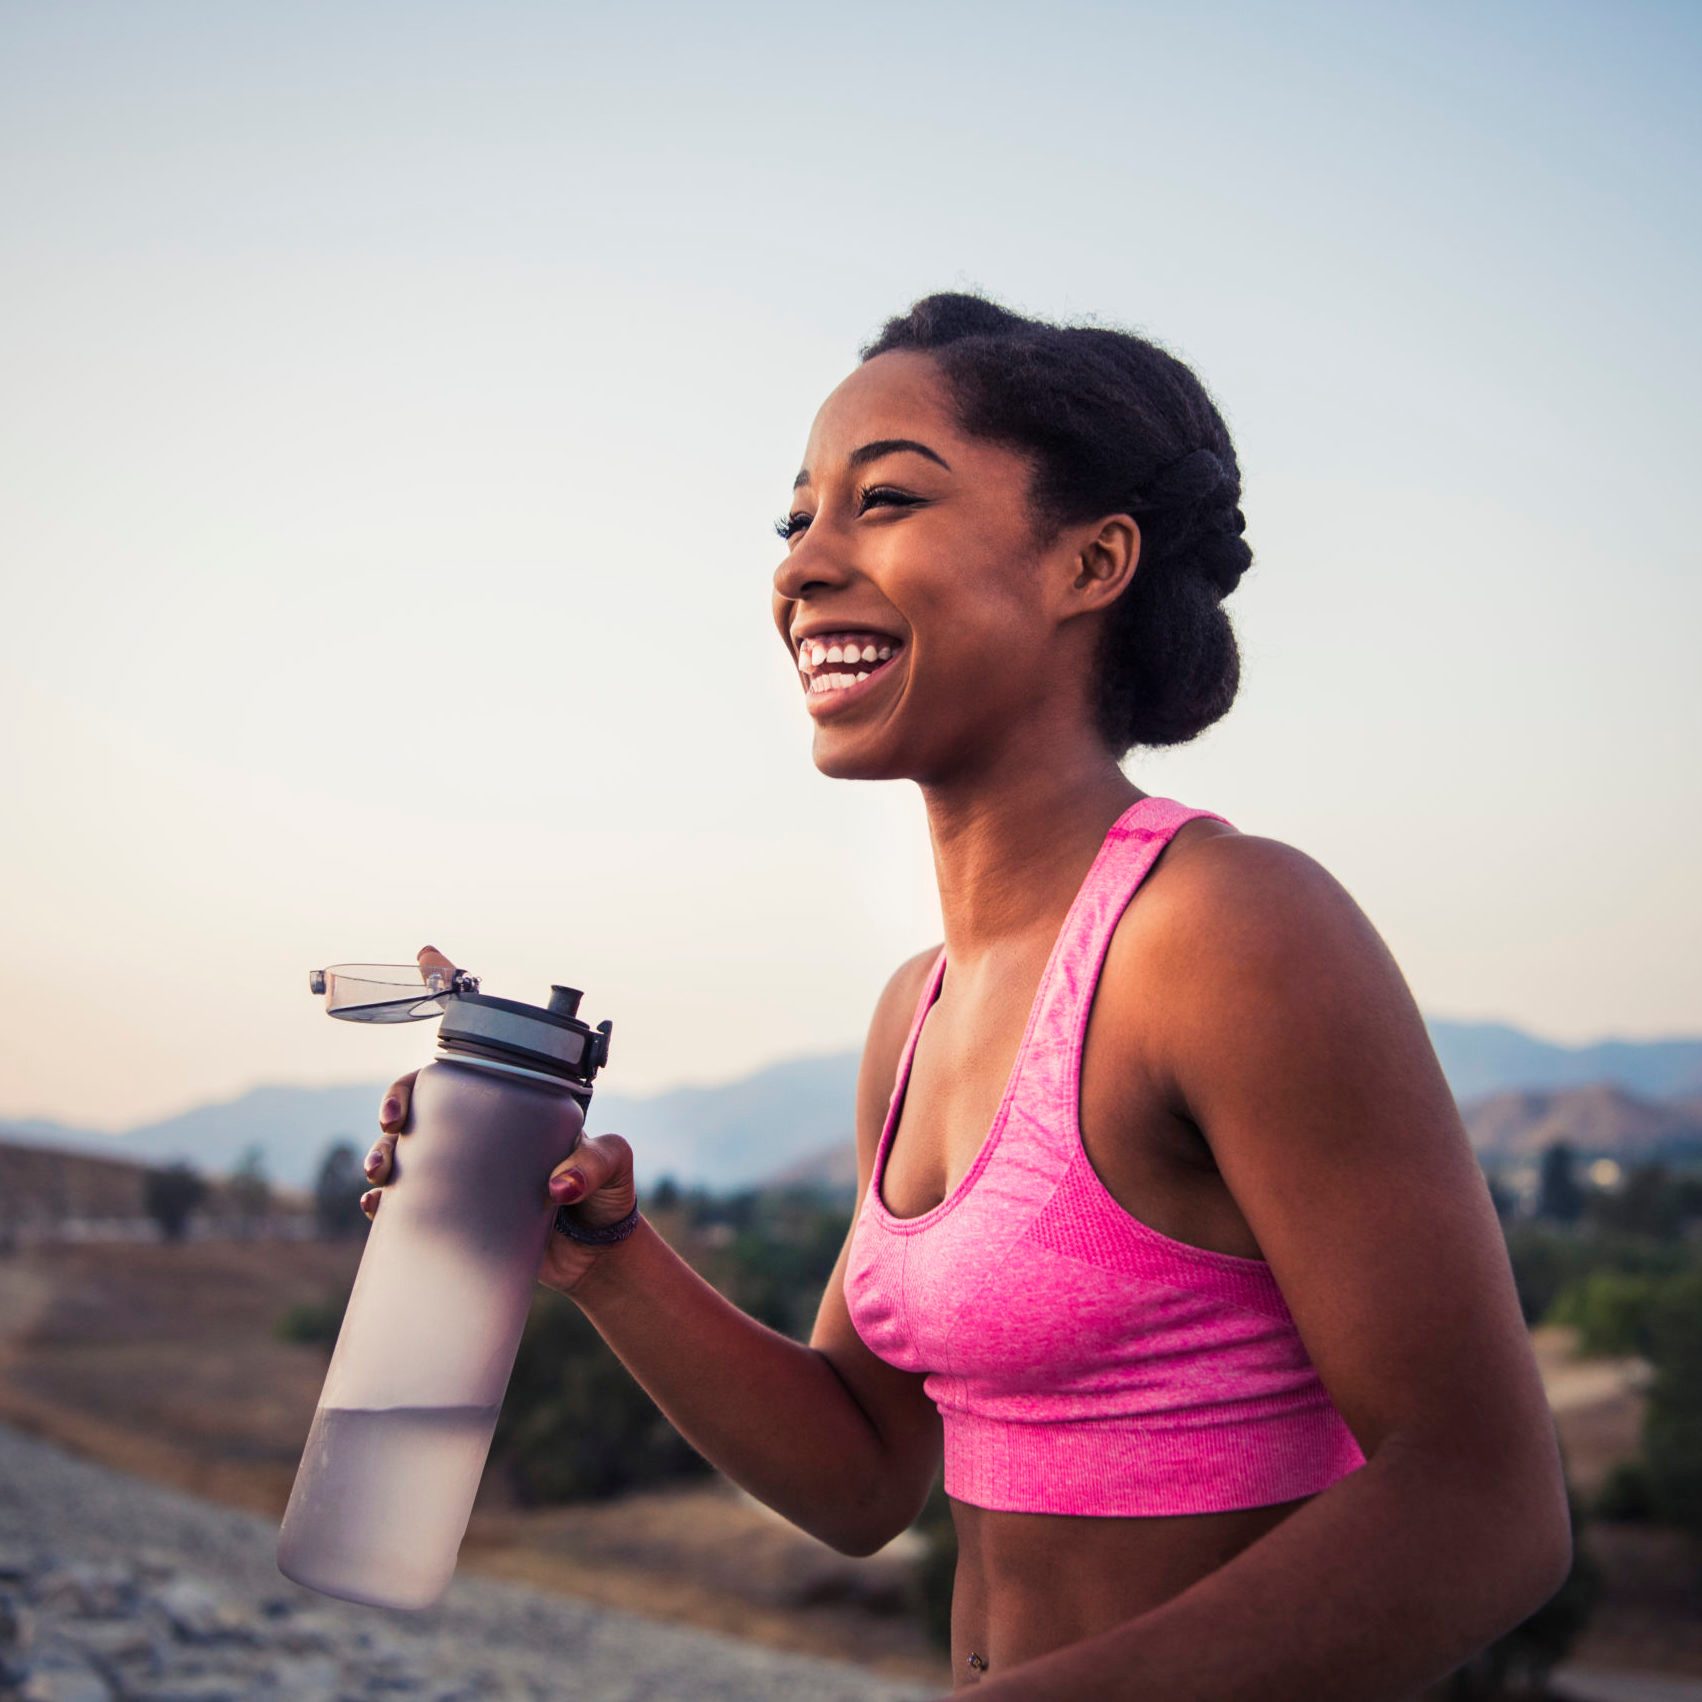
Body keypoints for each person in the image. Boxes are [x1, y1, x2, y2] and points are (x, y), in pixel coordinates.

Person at [361, 292, 1573, 1699]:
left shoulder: (1225, 930)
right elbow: (863, 1472)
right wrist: (604, 1260)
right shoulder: (915, 1010)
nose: (803, 566)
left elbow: (1486, 1510)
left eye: (880, 501)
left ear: (1090, 561)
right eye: (792, 521)